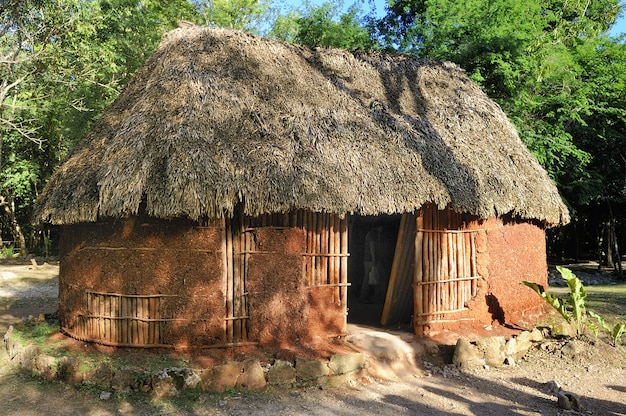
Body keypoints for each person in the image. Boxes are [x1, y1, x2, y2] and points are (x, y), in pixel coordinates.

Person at [359, 221, 385, 304]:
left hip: (367, 260)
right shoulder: (372, 235)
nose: (382, 229)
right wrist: (374, 259)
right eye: (381, 227)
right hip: (371, 260)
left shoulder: (369, 234)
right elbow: (372, 246)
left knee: (369, 278)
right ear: (379, 227)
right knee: (377, 278)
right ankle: (377, 297)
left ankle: (364, 297)